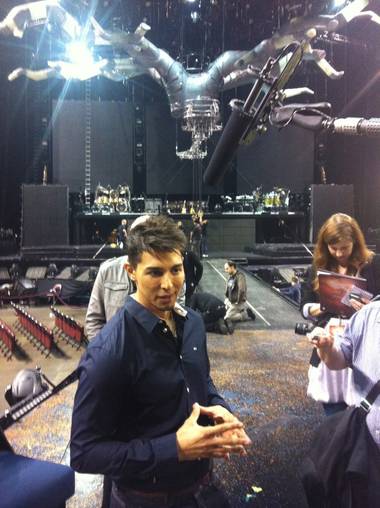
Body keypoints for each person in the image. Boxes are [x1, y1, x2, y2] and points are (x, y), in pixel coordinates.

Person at [70, 215, 251, 508]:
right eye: (155, 272)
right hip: (145, 499)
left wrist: (220, 410)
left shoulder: (192, 324)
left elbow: (200, 380)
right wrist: (174, 448)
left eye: (175, 270)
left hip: (202, 489)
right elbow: (84, 451)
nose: (168, 284)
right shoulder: (109, 351)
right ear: (131, 271)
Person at [300, 212, 380, 416]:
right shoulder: (319, 265)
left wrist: (370, 309)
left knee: (365, 410)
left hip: (362, 342)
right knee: (333, 415)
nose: (338, 253)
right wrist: (322, 307)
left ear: (355, 242)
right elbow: (303, 307)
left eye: (344, 247)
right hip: (330, 341)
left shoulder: (373, 264)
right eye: (333, 248)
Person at [224, 260, 255, 329]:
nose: (225, 271)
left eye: (227, 269)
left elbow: (242, 290)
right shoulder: (231, 276)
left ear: (232, 267)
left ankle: (244, 314)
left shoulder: (240, 276)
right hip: (230, 301)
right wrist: (226, 298)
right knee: (223, 310)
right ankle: (239, 310)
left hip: (237, 302)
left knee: (227, 317)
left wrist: (238, 301)